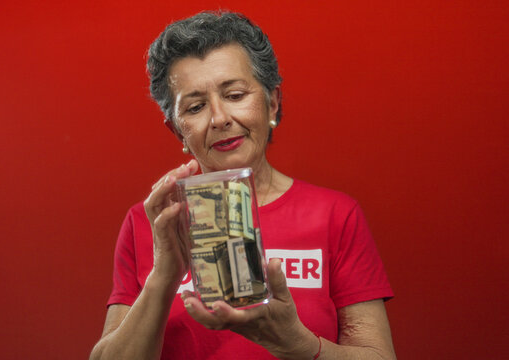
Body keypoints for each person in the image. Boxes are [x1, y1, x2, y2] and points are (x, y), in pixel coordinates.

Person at [90, 11, 395, 360]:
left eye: (235, 95)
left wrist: (298, 345)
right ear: (177, 131)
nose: (220, 119)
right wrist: (164, 275)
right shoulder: (152, 223)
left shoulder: (336, 216)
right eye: (196, 106)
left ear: (272, 103)